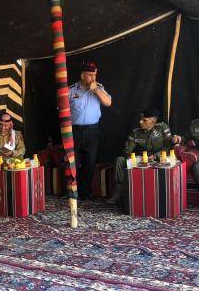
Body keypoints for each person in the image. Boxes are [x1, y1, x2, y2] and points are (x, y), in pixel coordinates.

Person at [107, 108, 172, 205]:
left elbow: (168, 146)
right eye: (141, 119)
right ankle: (118, 191)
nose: (140, 122)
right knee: (119, 160)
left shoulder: (162, 127)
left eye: (144, 120)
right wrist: (136, 158)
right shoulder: (136, 132)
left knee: (167, 161)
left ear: (153, 121)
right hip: (141, 159)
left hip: (159, 159)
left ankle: (161, 195)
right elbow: (127, 150)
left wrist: (156, 156)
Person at [68, 61, 112, 199]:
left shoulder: (99, 88)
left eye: (94, 75)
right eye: (90, 75)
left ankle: (85, 192)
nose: (93, 78)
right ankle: (72, 191)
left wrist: (96, 90)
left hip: (92, 131)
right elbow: (61, 109)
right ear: (83, 76)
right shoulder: (71, 90)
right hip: (74, 131)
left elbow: (108, 103)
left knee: (89, 162)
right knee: (72, 162)